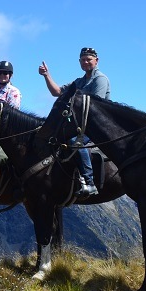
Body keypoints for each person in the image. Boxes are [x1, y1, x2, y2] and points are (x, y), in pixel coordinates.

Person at [39, 47, 110, 197]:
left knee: (74, 141)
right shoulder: (79, 81)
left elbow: (94, 106)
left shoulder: (100, 79)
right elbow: (57, 92)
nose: (85, 62)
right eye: (83, 60)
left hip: (94, 126)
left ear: (96, 61)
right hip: (79, 125)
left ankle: (89, 182)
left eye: (89, 59)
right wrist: (46, 75)